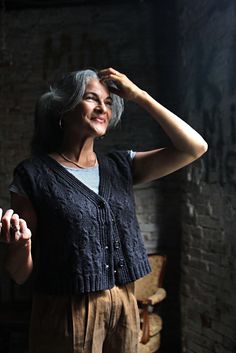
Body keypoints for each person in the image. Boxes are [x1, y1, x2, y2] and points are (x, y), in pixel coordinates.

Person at [0, 67, 208, 353]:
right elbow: (18, 274)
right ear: (64, 108)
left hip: (124, 304)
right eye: (91, 98)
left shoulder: (121, 166)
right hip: (66, 310)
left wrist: (141, 97)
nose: (102, 107)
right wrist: (22, 245)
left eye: (109, 101)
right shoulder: (34, 175)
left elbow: (194, 147)